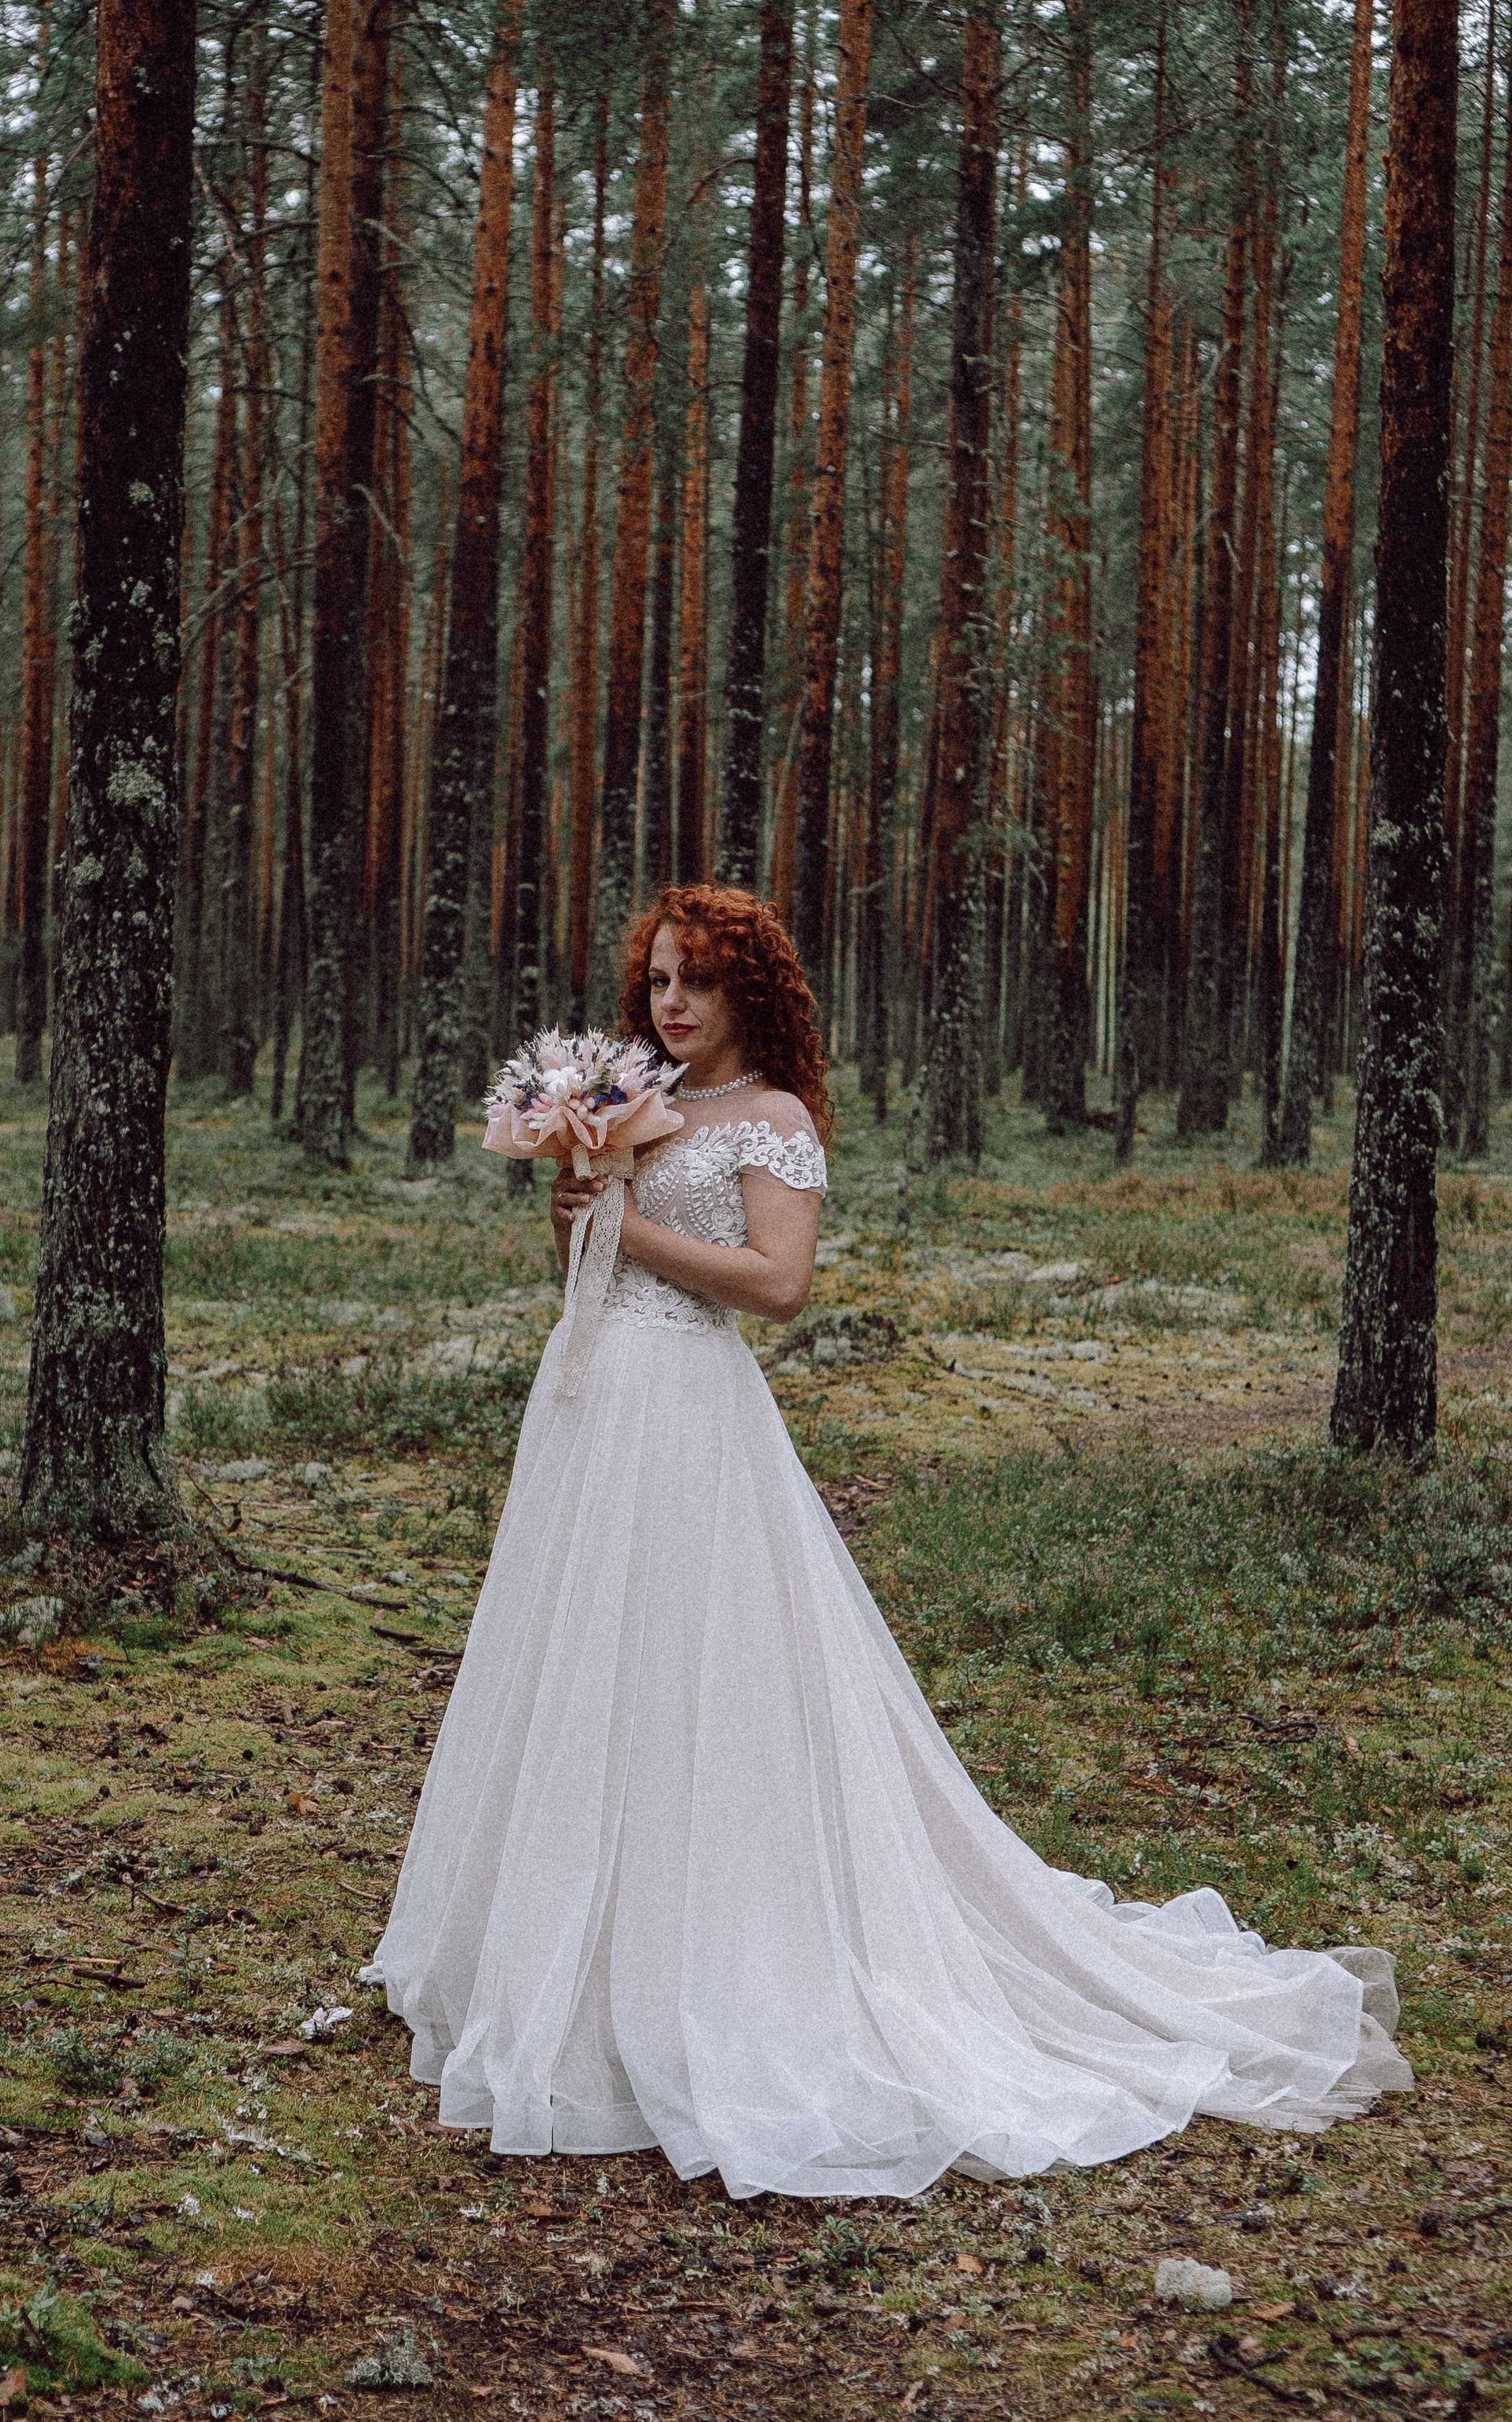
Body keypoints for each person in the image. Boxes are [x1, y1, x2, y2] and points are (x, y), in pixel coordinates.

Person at [362, 884, 1410, 2198]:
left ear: (753, 994)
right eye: (659, 982)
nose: (671, 1005)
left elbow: (782, 1286)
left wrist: (629, 1225)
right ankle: (570, 1950)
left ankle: (719, 1954)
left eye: (698, 982)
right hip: (589, 1414)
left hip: (689, 1416)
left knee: (701, 1672)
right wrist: (578, 1196)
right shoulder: (644, 1106)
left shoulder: (774, 1122)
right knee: (586, 1665)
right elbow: (590, 1267)